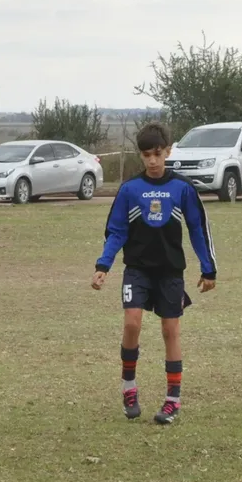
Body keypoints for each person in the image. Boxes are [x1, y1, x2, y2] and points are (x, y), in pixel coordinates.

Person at [92, 122, 217, 425]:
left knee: (170, 331)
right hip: (137, 270)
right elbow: (116, 231)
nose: (152, 160)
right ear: (140, 155)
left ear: (168, 151)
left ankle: (172, 400)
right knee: (132, 323)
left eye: (157, 154)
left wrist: (208, 267)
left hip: (171, 271)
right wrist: (103, 266)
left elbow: (198, 229)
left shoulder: (183, 189)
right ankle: (129, 388)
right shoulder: (130, 190)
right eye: (146, 155)